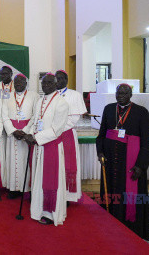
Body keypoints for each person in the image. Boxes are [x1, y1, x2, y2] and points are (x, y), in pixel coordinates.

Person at [96, 84, 149, 240]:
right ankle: (110, 225)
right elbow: (101, 135)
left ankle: (130, 229)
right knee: (111, 194)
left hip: (130, 163)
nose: (120, 95)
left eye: (124, 93)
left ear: (131, 94)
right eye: (118, 93)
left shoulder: (141, 112)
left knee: (128, 196)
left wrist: (141, 166)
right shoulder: (108, 109)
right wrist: (100, 152)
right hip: (110, 162)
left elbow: (147, 142)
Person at [24, 73, 69, 226]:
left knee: (50, 180)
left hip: (51, 147)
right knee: (38, 178)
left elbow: (57, 129)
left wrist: (36, 138)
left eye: (50, 83)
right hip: (39, 146)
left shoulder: (61, 103)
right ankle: (38, 209)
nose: (46, 86)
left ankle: (50, 213)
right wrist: (29, 133)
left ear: (56, 84)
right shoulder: (40, 101)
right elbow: (35, 121)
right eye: (44, 83)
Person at [2, 74, 39, 199]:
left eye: (21, 82)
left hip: (26, 133)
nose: (18, 84)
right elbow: (4, 115)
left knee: (26, 161)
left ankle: (26, 189)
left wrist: (25, 130)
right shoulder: (7, 96)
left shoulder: (34, 96)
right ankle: (13, 188)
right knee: (11, 161)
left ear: (26, 83)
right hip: (12, 134)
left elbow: (36, 115)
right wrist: (13, 130)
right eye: (16, 82)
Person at [55, 70, 87, 202]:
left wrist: (57, 128)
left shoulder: (75, 95)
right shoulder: (49, 94)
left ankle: (68, 196)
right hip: (52, 136)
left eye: (61, 78)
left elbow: (75, 117)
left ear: (67, 80)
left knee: (67, 164)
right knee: (55, 164)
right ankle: (56, 192)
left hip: (67, 134)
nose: (59, 81)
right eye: (56, 79)